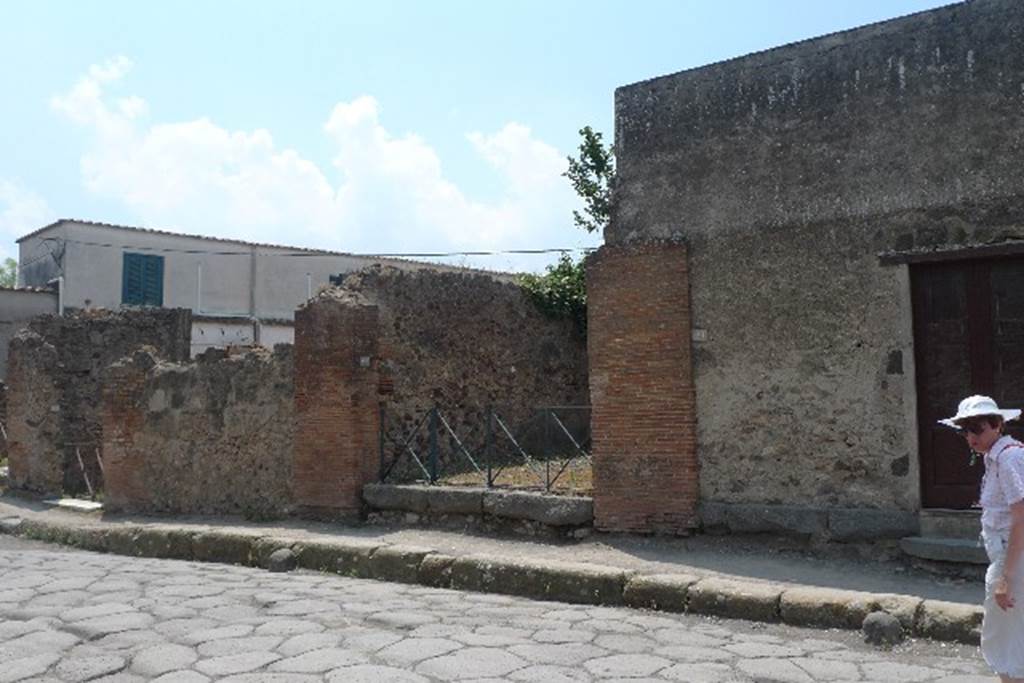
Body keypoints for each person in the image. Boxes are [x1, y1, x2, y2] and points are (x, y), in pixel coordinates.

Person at [941, 395, 1024, 682]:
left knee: (1008, 640)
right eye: (965, 430)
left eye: (977, 429)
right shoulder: (997, 456)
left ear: (998, 425)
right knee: (1010, 635)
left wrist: (1005, 576)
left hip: (1012, 555)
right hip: (1007, 552)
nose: (971, 437)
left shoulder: (1008, 457)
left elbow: (1021, 517)